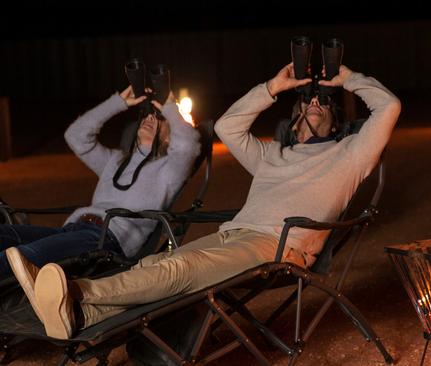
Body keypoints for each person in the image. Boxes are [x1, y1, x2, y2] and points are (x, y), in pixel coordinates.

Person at [8, 62, 400, 340]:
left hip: (277, 249)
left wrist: (346, 78)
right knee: (156, 262)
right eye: (307, 104)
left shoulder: (351, 153)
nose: (315, 105)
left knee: (182, 268)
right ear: (293, 121)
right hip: (235, 235)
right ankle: (81, 315)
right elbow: (229, 126)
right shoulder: (271, 155)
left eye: (324, 105)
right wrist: (273, 88)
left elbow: (388, 107)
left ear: (337, 122)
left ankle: (75, 293)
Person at [1, 86, 201, 318]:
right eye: (148, 114)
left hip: (106, 241)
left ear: (170, 136)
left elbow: (188, 146)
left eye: (160, 119)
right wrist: (118, 103)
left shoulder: (168, 172)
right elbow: (76, 136)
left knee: (21, 255)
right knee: (5, 234)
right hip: (74, 230)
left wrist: (169, 106)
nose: (150, 118)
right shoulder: (115, 162)